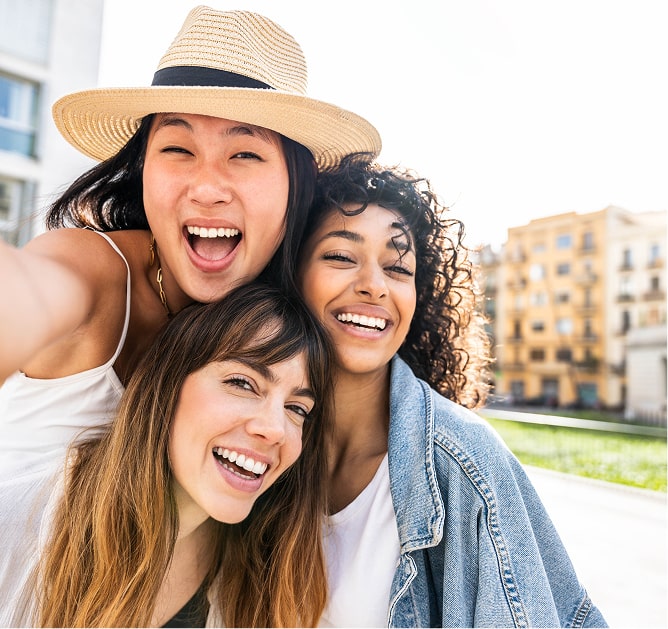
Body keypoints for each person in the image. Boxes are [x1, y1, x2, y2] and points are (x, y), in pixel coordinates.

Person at [0, 6, 380, 475]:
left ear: (293, 186)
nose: (206, 188)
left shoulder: (286, 319)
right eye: (178, 149)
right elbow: (26, 291)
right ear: (143, 168)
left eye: (245, 153)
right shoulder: (90, 268)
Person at [297, 154, 608, 627]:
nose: (374, 286)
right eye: (341, 256)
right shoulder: (256, 441)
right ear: (291, 274)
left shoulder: (466, 464)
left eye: (398, 268)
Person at [0, 281, 334, 627]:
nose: (276, 429)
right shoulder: (20, 520)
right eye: (242, 383)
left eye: (297, 408)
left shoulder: (261, 578)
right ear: (167, 384)